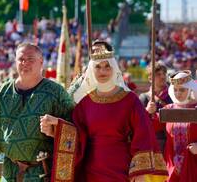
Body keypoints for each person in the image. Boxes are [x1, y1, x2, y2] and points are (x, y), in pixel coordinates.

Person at [40, 41, 168, 182]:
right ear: (91, 70)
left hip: (122, 168)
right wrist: (57, 127)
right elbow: (78, 135)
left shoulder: (130, 99)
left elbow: (143, 135)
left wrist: (140, 173)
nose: (103, 71)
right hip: (91, 169)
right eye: (98, 67)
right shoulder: (85, 102)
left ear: (114, 68)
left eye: (107, 67)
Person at [0, 42, 74, 182]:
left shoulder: (56, 93)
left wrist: (56, 128)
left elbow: (76, 129)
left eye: (30, 59)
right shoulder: (2, 93)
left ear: (41, 62)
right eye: (21, 59)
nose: (25, 63)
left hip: (43, 173)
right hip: (9, 172)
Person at [163, 70, 197, 182]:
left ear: (191, 90)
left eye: (182, 90)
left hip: (193, 164)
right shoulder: (168, 109)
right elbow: (151, 127)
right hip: (172, 167)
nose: (178, 93)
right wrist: (149, 112)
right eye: (175, 90)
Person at [139, 62, 172, 152]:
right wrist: (146, 111)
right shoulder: (144, 97)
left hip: (171, 140)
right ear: (150, 78)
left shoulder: (174, 96)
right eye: (158, 74)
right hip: (151, 141)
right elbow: (137, 122)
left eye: (164, 73)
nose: (162, 76)